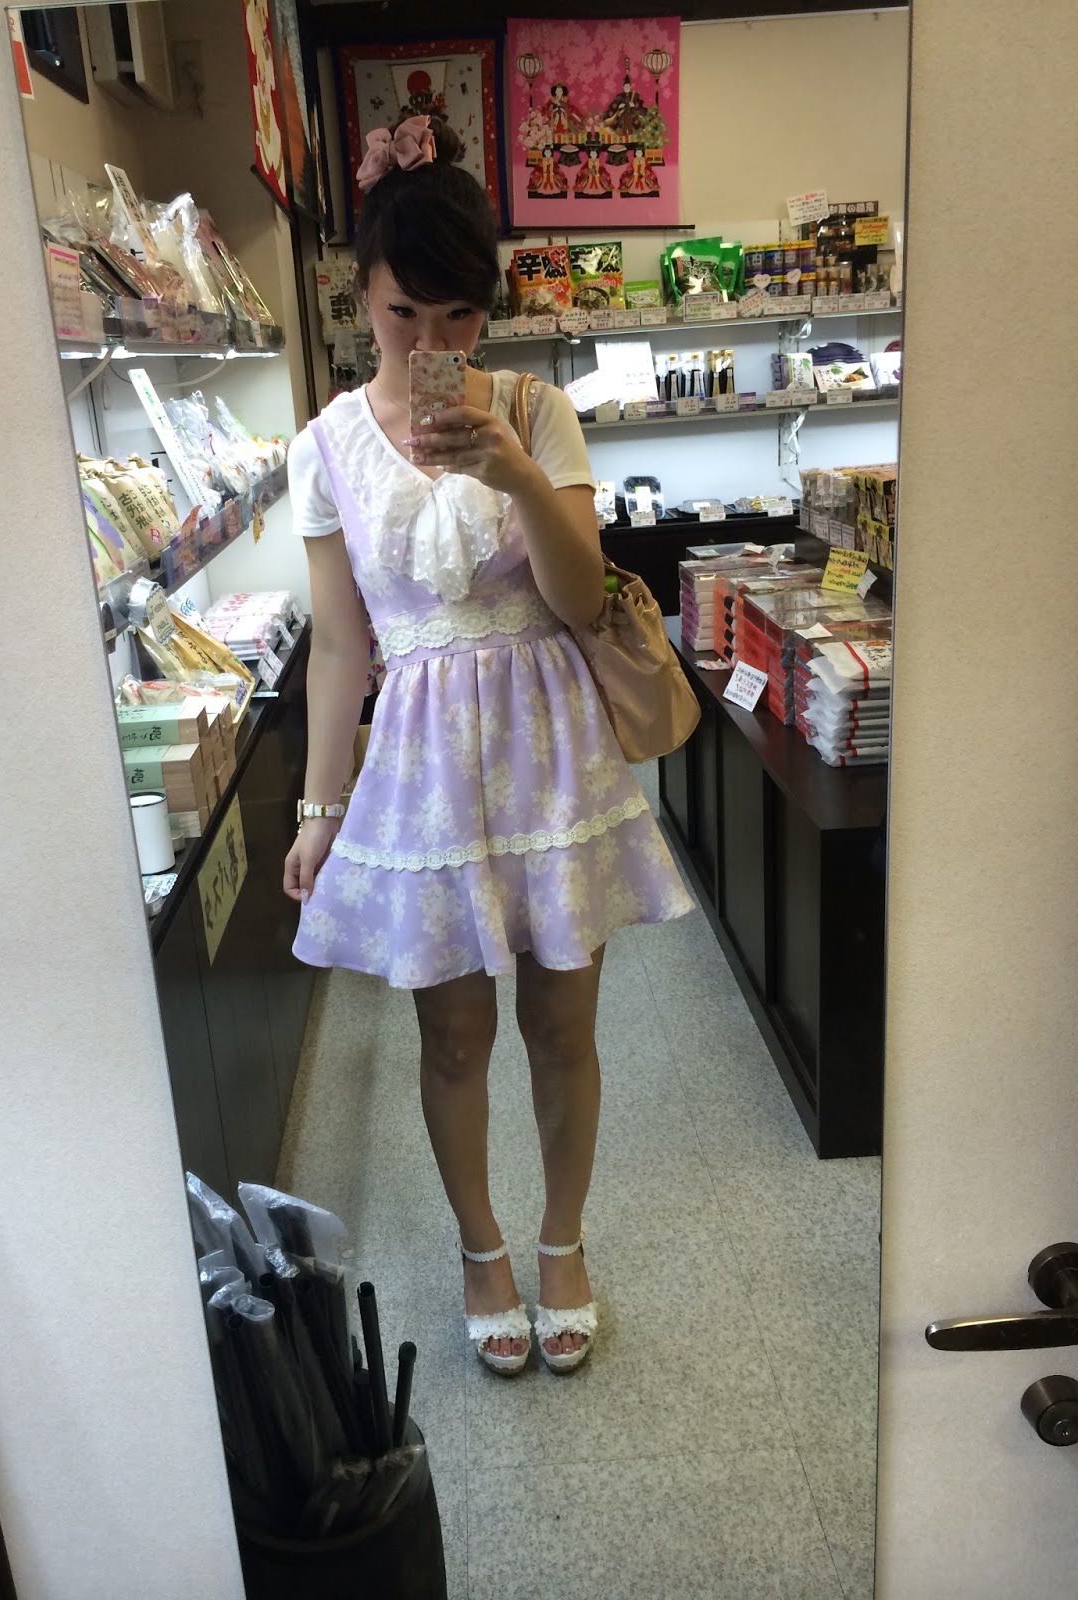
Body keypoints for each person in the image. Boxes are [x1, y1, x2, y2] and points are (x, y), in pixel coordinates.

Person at [283, 114, 692, 1376]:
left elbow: (580, 598)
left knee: (564, 1024)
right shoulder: (324, 448)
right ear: (359, 290)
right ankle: (481, 1248)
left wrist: (516, 473)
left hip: (551, 747)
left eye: (460, 315)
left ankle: (563, 1239)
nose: (433, 345)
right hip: (420, 766)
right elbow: (340, 646)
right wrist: (317, 809)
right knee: (453, 1034)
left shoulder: (537, 409)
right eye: (404, 313)